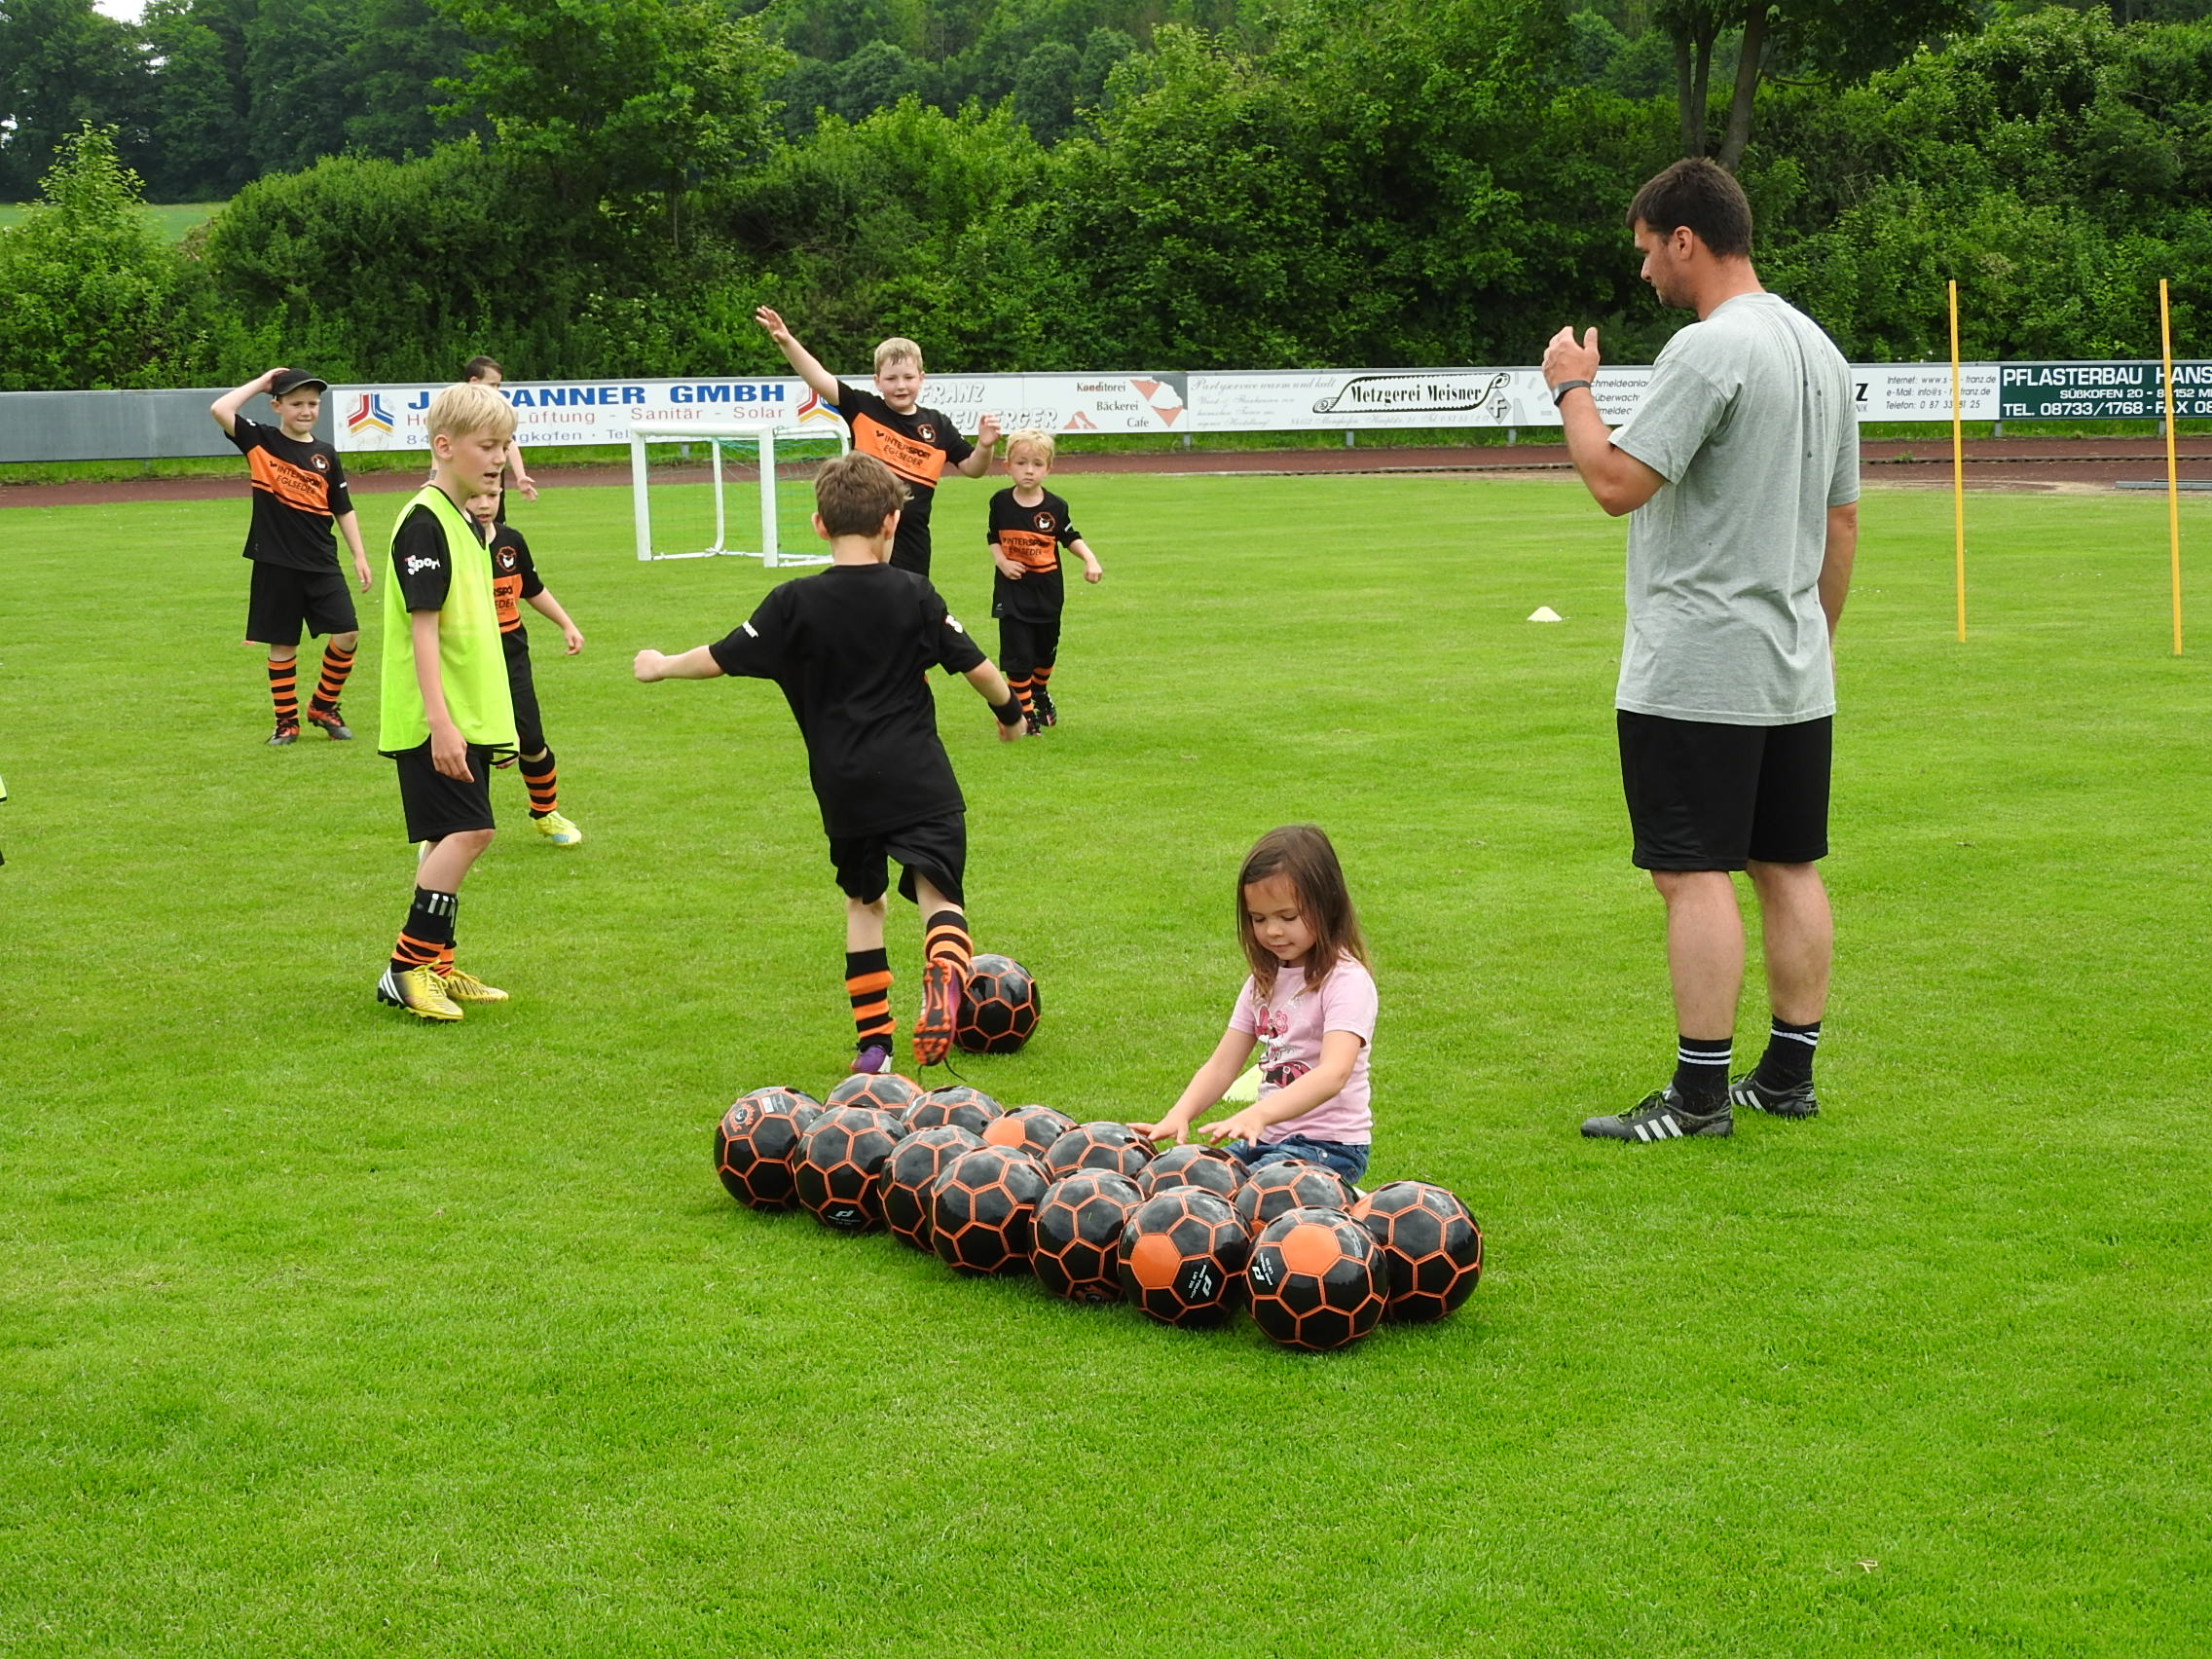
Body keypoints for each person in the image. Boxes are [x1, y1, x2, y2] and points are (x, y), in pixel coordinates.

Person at [1540, 157, 1859, 1144]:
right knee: (1786, 863)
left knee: (1691, 871)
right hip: (1792, 663)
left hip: (1697, 663)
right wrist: (1810, 643)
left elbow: (1615, 482)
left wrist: (1572, 389)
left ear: (1686, 239)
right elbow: (1841, 522)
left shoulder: (1710, 347)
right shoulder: (1817, 348)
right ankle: (1787, 1077)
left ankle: (1699, 1095)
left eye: (1647, 251)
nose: (1644, 272)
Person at [633, 452, 1027, 1072]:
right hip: (918, 777)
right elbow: (976, 666)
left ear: (819, 524)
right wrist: (1011, 713)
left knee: (864, 904)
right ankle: (945, 973)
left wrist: (660, 666)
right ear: (892, 521)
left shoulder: (792, 603)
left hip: (844, 787)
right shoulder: (914, 592)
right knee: (938, 893)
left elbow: (718, 657)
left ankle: (874, 1049)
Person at [374, 383, 520, 1023]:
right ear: (444, 446)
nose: (499, 458)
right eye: (487, 445)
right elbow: (423, 630)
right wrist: (441, 723)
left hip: (468, 715)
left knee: (445, 838)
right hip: (437, 719)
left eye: (505, 445)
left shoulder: (467, 522)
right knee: (471, 831)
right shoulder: (424, 522)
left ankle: (436, 964)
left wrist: (493, 725)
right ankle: (406, 969)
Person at [1128, 826, 1377, 1186]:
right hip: (1265, 1138)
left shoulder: (1345, 981)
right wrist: (1179, 1114)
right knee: (1193, 1180)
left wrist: (1259, 1114)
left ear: (1327, 906)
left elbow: (1333, 1073)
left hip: (1329, 1147)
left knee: (1246, 1194)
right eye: (1259, 919)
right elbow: (1221, 1066)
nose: (1272, 931)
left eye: (1287, 917)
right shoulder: (1262, 982)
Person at [754, 307, 999, 578]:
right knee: (861, 600)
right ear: (877, 381)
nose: (900, 385)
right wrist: (787, 341)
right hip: (862, 534)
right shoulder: (863, 407)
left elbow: (973, 468)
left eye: (908, 377)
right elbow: (819, 377)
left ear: (921, 378)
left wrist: (985, 446)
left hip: (913, 544)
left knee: (908, 602)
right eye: (891, 378)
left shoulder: (938, 425)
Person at [209, 367, 373, 744]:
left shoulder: (325, 454)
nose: (306, 410)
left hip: (321, 562)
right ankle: (286, 722)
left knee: (347, 631)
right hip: (275, 561)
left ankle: (323, 705)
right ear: (277, 406)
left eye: (313, 403)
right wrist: (262, 382)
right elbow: (220, 409)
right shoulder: (260, 440)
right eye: (296, 403)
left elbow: (343, 508)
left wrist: (359, 556)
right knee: (283, 643)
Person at [464, 488, 584, 846]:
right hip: (468, 657)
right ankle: (455, 829)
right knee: (471, 745)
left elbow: (533, 588)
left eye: (492, 496)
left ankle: (546, 814)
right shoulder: (452, 543)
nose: (484, 504)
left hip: (512, 653)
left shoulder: (511, 541)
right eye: (475, 497)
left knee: (530, 738)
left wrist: (566, 624)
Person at [987, 429, 1103, 732]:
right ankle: (1025, 715)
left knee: (1044, 652)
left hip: (1047, 593)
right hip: (1012, 593)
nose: (1029, 470)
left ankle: (1039, 691)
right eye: (1021, 463)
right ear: (1007, 466)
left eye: (1037, 464)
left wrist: (1090, 559)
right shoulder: (1000, 502)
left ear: (1048, 468)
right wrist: (1002, 562)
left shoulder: (1055, 507)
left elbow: (1069, 536)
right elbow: (993, 537)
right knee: (1018, 656)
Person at [461, 355, 537, 507]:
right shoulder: (457, 411)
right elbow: (443, 445)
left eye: (498, 385)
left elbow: (509, 444)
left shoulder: (497, 412)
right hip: (465, 480)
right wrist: (434, 477)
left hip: (492, 479)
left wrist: (521, 477)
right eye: (492, 385)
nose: (496, 390)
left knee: (494, 518)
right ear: (474, 381)